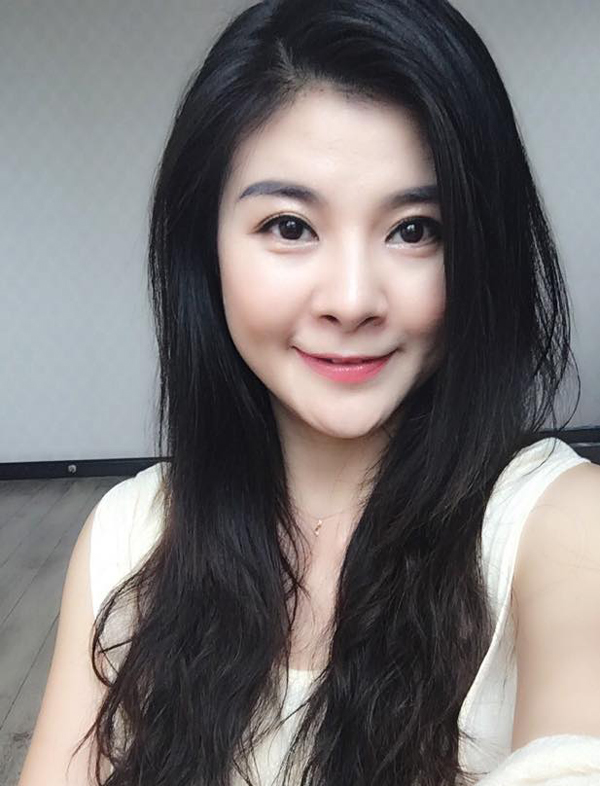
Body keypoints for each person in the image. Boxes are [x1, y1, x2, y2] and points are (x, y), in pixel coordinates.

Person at [18, 1, 600, 784]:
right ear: (205, 249)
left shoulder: (563, 526)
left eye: (415, 229)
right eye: (290, 227)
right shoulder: (130, 535)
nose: (352, 300)